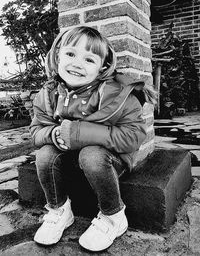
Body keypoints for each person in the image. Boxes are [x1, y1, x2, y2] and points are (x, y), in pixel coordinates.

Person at [30, 26, 156, 251]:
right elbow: (35, 131)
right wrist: (52, 134)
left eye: (89, 59)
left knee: (91, 155)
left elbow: (134, 136)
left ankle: (113, 216)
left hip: (108, 161)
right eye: (70, 54)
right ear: (57, 55)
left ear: (102, 67)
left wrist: (79, 133)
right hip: (70, 158)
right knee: (45, 153)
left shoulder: (117, 94)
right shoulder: (47, 94)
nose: (77, 63)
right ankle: (59, 210)